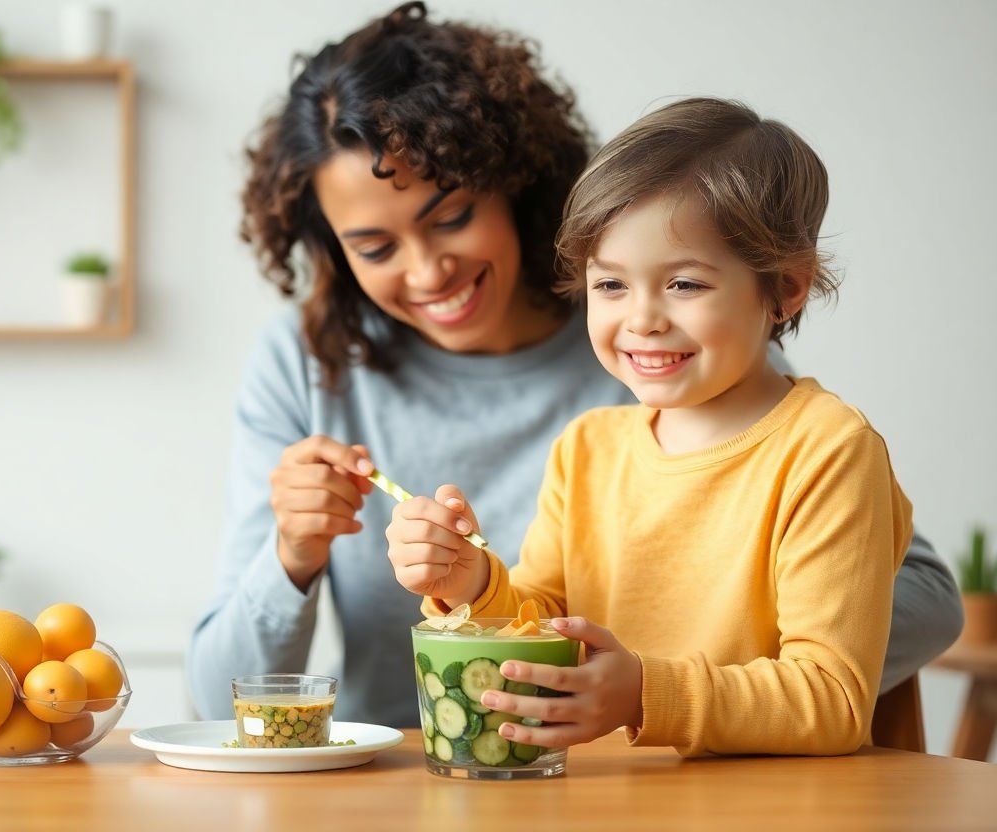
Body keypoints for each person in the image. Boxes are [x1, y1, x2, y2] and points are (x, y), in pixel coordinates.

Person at [187, 2, 962, 728]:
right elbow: (220, 699)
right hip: (445, 776)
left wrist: (655, 680)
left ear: (512, 182)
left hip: (644, 769)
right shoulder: (590, 437)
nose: (427, 273)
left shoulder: (678, 365)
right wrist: (460, 584)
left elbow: (900, 611)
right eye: (376, 247)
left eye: (452, 217)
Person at [387, 97, 913, 756]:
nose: (642, 319)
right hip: (612, 804)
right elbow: (548, 626)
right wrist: (470, 583)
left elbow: (830, 699)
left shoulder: (827, 450)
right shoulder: (587, 449)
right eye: (610, 286)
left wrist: (643, 693)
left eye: (685, 285)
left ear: (785, 286)